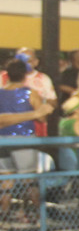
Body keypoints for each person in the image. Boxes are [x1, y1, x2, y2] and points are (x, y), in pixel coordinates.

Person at [0, 58, 54, 220]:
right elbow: (42, 118)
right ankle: (41, 217)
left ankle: (3, 216)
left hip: (3, 139)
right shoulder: (31, 93)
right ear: (25, 75)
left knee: (5, 182)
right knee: (30, 181)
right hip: (24, 139)